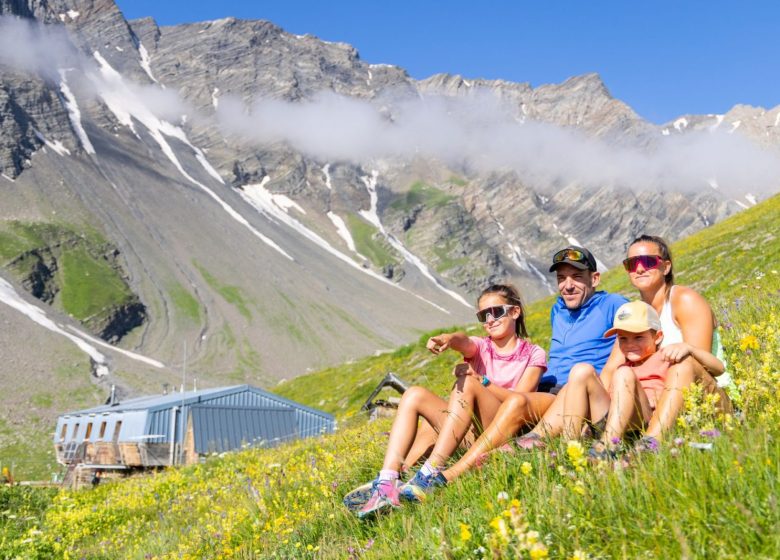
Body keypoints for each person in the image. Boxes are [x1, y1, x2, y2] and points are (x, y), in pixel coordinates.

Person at [350, 284, 547, 518]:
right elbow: (464, 341)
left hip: (498, 430)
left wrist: (482, 381)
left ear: (515, 312)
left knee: (469, 382)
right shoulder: (482, 346)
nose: (490, 320)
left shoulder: (534, 354)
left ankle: (432, 471)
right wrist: (447, 338)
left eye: (496, 312)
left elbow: (519, 402)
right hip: (465, 431)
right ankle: (387, 481)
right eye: (484, 315)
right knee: (414, 394)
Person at [434, 246, 628, 482]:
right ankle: (406, 473)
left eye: (577, 277)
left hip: (578, 388)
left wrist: (606, 381)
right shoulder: (558, 309)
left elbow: (629, 341)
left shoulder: (614, 303)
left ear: (595, 278)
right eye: (561, 278)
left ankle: (458, 471)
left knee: (523, 398)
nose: (567, 285)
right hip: (545, 392)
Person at [620, 234, 731, 444]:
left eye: (648, 261)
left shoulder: (684, 300)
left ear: (666, 267)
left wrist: (685, 348)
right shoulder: (636, 314)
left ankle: (650, 445)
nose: (640, 268)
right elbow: (612, 369)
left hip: (709, 402)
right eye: (632, 264)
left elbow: (699, 368)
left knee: (683, 364)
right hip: (659, 406)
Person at [587, 300, 724, 458]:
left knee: (680, 364)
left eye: (638, 337)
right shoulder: (623, 370)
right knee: (622, 373)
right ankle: (606, 446)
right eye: (623, 339)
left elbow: (719, 368)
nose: (630, 344)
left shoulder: (666, 355)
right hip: (642, 420)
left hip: (668, 415)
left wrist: (690, 349)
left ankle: (625, 446)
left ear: (657, 337)